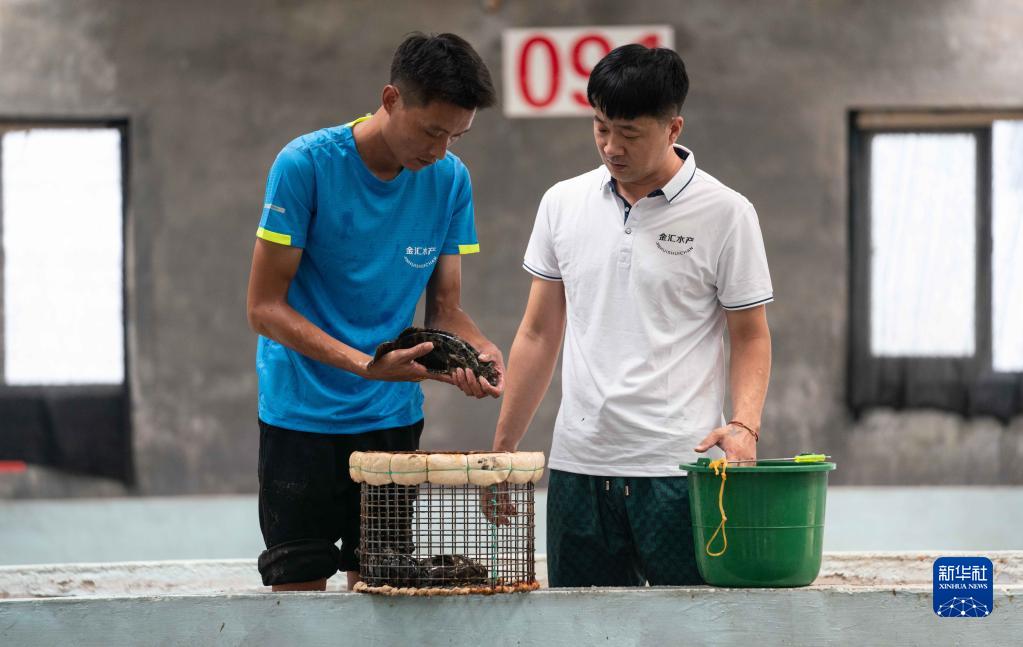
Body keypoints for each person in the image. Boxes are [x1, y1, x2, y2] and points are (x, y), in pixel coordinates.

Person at [488, 44, 773, 587]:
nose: (611, 148)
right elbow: (539, 332)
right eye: (600, 128)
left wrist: (744, 427)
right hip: (579, 467)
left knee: (687, 628)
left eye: (629, 133)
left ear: (673, 127)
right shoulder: (561, 203)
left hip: (677, 470)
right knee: (580, 631)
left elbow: (751, 335)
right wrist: (503, 452)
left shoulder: (727, 213)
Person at [246, 32, 503, 592]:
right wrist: (366, 364)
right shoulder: (306, 165)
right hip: (301, 420)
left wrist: (479, 349)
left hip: (391, 423)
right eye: (432, 131)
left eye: (455, 136)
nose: (439, 151)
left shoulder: (450, 180)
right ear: (391, 100)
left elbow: (446, 309)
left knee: (382, 589)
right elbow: (263, 309)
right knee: (299, 598)